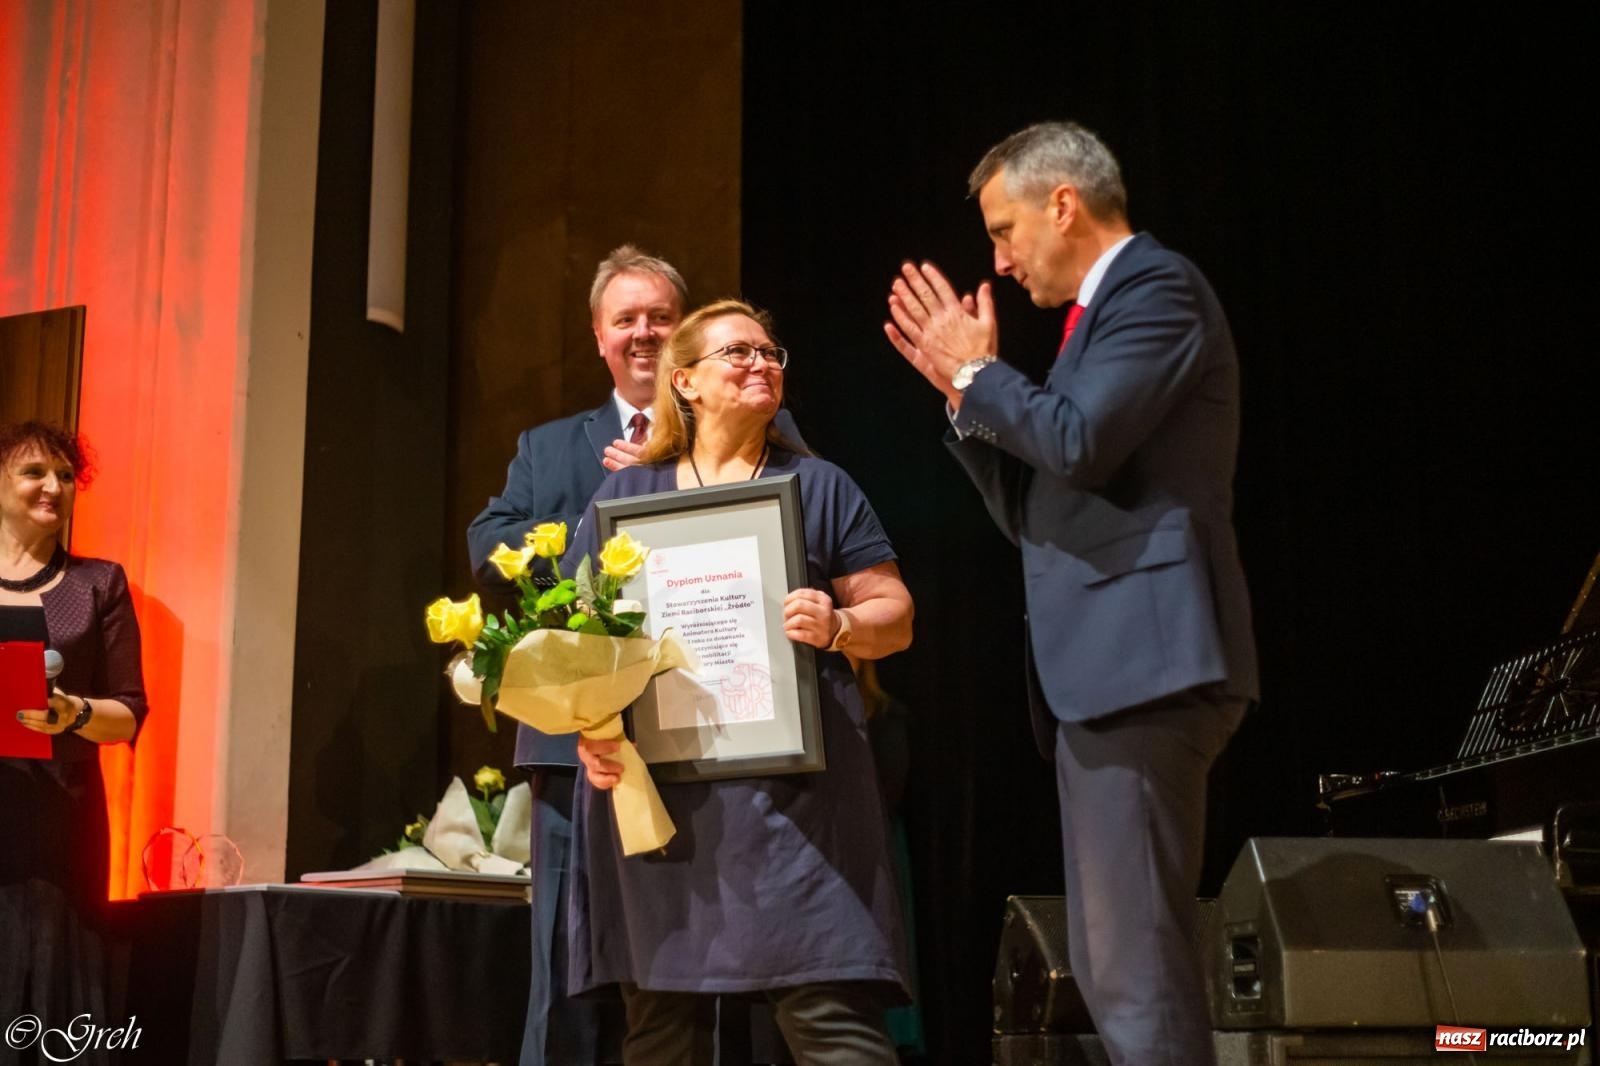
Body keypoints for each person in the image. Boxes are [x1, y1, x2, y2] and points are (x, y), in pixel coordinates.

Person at [883, 121, 1258, 1066]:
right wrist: (959, 396)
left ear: (1064, 202)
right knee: (1105, 962)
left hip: (1146, 664)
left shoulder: (1156, 290)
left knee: (1137, 972)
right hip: (1103, 676)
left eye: (1006, 233)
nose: (1001, 262)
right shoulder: (1090, 325)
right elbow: (1039, 507)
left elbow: (1079, 440)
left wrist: (979, 372)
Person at [466, 246, 802, 1065]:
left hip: (703, 742)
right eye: (627, 319)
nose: (644, 333)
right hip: (573, 751)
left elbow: (784, 539)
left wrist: (676, 484)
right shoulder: (552, 448)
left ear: (684, 335)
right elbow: (488, 545)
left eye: (660, 317)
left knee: (702, 960)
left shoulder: (766, 430)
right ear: (598, 336)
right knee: (568, 964)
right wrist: (607, 516)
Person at [570, 300, 914, 1065]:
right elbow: (572, 652)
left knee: (833, 1024)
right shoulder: (626, 501)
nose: (762, 363)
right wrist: (593, 730)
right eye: (738, 352)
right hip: (665, 808)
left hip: (799, 810)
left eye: (770, 352)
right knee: (660, 1032)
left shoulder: (819, 487)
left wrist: (841, 626)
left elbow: (897, 614)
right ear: (684, 382)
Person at [0, 421, 148, 1060]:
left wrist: (72, 711)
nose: (53, 487)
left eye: (65, 475)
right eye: (35, 472)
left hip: (62, 819)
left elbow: (131, 713)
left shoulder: (98, 584)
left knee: (55, 998)